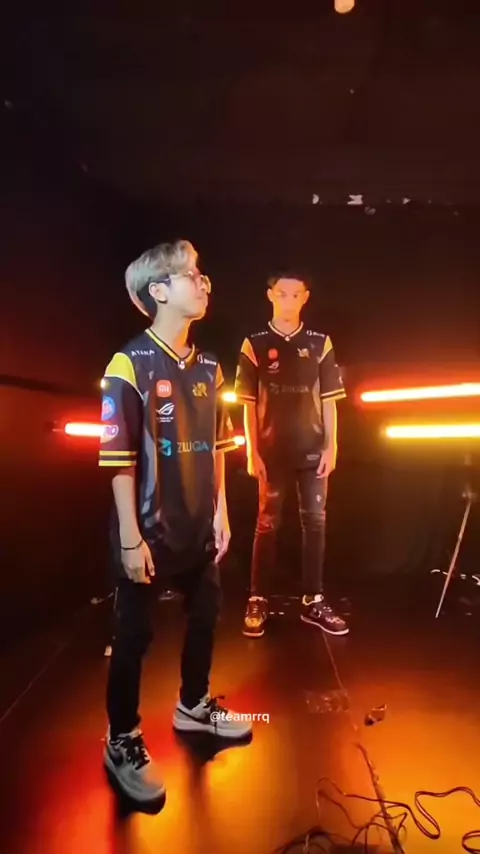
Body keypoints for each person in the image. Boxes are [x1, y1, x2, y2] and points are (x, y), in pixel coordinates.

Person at [99, 240, 252, 804]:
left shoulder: (210, 366)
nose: (203, 283)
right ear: (158, 290)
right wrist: (129, 538)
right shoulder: (129, 364)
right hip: (147, 530)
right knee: (134, 636)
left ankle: (194, 706)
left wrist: (221, 511)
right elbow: (119, 459)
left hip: (197, 526)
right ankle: (122, 739)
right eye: (191, 275)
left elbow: (218, 445)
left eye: (202, 274)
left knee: (206, 615)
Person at [234, 271, 348, 638]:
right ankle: (258, 598)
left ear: (305, 298)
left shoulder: (320, 343)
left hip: (312, 450)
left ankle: (313, 599)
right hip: (271, 452)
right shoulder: (254, 343)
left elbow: (330, 400)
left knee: (315, 522)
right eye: (282, 293)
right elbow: (247, 403)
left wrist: (331, 445)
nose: (288, 300)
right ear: (270, 295)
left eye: (295, 294)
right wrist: (252, 451)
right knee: (266, 524)